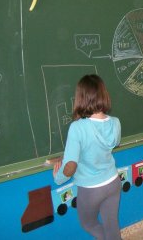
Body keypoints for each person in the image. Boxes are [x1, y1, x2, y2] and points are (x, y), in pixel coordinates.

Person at [53, 74, 122, 240]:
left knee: (88, 224)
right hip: (113, 182)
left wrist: (58, 178)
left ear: (81, 98)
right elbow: (115, 143)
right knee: (111, 224)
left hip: (91, 189)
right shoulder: (115, 122)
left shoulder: (78, 128)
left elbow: (70, 166)